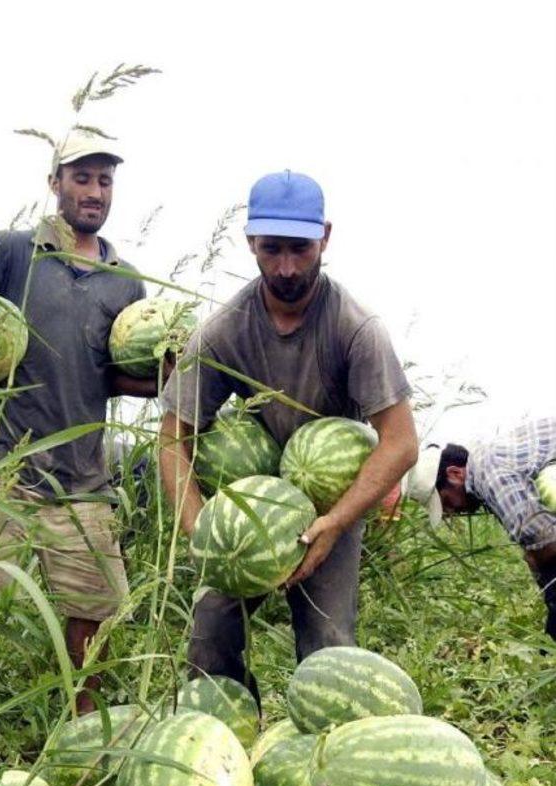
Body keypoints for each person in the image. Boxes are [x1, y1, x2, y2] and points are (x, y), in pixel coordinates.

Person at [0, 129, 158, 712]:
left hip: (80, 475)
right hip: (0, 463)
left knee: (94, 611)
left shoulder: (126, 283)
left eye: (104, 180)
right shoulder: (9, 252)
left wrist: (164, 377)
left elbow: (117, 375)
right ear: (56, 184)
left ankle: (82, 728)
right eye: (82, 178)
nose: (94, 191)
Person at [159, 170, 418, 701]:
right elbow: (172, 437)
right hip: (251, 507)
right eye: (271, 248)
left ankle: (322, 764)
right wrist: (199, 529)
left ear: (325, 236)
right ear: (250, 240)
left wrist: (335, 522)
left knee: (328, 646)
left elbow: (401, 443)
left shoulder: (355, 327)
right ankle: (225, 744)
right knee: (208, 638)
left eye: (299, 249)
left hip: (332, 507)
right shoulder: (224, 329)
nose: (285, 267)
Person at [404, 417, 556, 640]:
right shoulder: (488, 462)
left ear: (455, 474)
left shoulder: (488, 472)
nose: (450, 512)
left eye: (445, 501)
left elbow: (543, 538)